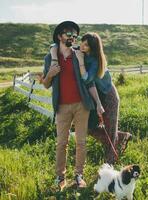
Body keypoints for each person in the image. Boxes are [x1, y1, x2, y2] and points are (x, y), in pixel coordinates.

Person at [49, 32, 132, 165]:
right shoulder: (80, 51)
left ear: (93, 48)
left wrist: (81, 61)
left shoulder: (95, 60)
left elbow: (87, 79)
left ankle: (109, 163)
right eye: (82, 42)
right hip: (95, 95)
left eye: (87, 45)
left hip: (108, 95)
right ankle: (121, 137)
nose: (82, 46)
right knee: (89, 127)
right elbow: (55, 45)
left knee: (110, 130)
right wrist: (54, 54)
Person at [42, 21, 97, 190]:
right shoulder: (49, 57)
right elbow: (45, 84)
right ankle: (60, 177)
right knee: (61, 143)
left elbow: (89, 78)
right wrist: (50, 75)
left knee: (81, 142)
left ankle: (79, 176)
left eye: (75, 35)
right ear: (59, 36)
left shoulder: (79, 55)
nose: (73, 38)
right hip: (62, 107)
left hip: (81, 105)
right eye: (69, 34)